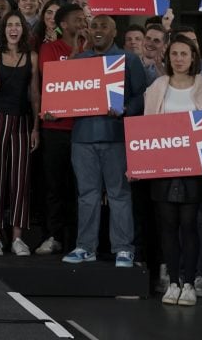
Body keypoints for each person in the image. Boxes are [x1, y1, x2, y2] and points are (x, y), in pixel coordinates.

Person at [61, 15, 146, 267]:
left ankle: (123, 249)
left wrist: (125, 108)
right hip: (82, 138)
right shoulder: (77, 60)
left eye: (104, 26)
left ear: (114, 31)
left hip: (116, 137)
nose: (98, 31)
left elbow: (142, 96)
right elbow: (66, 96)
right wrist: (56, 109)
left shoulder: (129, 60)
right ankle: (85, 247)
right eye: (94, 26)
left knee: (119, 194)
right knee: (87, 195)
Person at [142, 35, 202, 306]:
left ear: (193, 57)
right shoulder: (157, 86)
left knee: (189, 227)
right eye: (174, 53)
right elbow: (147, 127)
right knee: (167, 227)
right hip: (163, 168)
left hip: (193, 168)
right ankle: (172, 282)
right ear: (168, 57)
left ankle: (189, 283)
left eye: (184, 54)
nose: (179, 58)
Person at [0, 12, 40, 256]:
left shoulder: (32, 57)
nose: (14, 29)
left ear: (23, 30)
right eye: (10, 25)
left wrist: (36, 127)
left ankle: (17, 237)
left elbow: (34, 94)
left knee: (20, 179)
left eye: (18, 25)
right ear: (3, 30)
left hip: (24, 120)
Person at [35, 3, 88, 255]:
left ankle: (78, 240)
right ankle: (53, 235)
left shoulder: (94, 49)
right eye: (78, 19)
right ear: (63, 25)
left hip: (84, 128)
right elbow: (57, 77)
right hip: (55, 127)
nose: (83, 23)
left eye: (84, 18)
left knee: (80, 188)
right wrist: (77, 50)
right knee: (55, 186)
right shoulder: (49, 48)